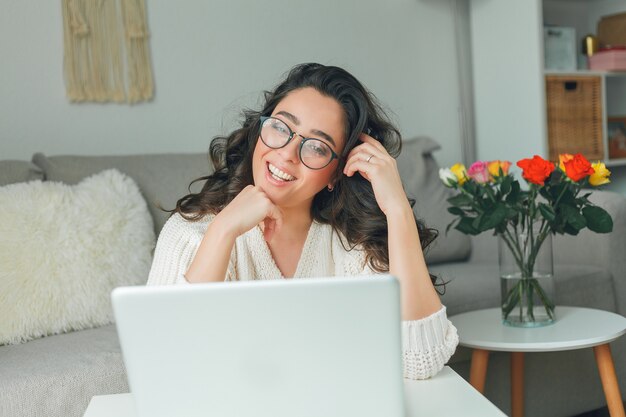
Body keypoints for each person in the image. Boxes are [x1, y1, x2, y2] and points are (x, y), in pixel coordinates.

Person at [147, 63, 458, 380]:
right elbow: (166, 367)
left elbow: (421, 361)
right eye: (280, 128)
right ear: (259, 131)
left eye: (317, 146)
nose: (287, 154)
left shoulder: (351, 246)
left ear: (336, 173)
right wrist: (223, 231)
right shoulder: (190, 232)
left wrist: (397, 209)